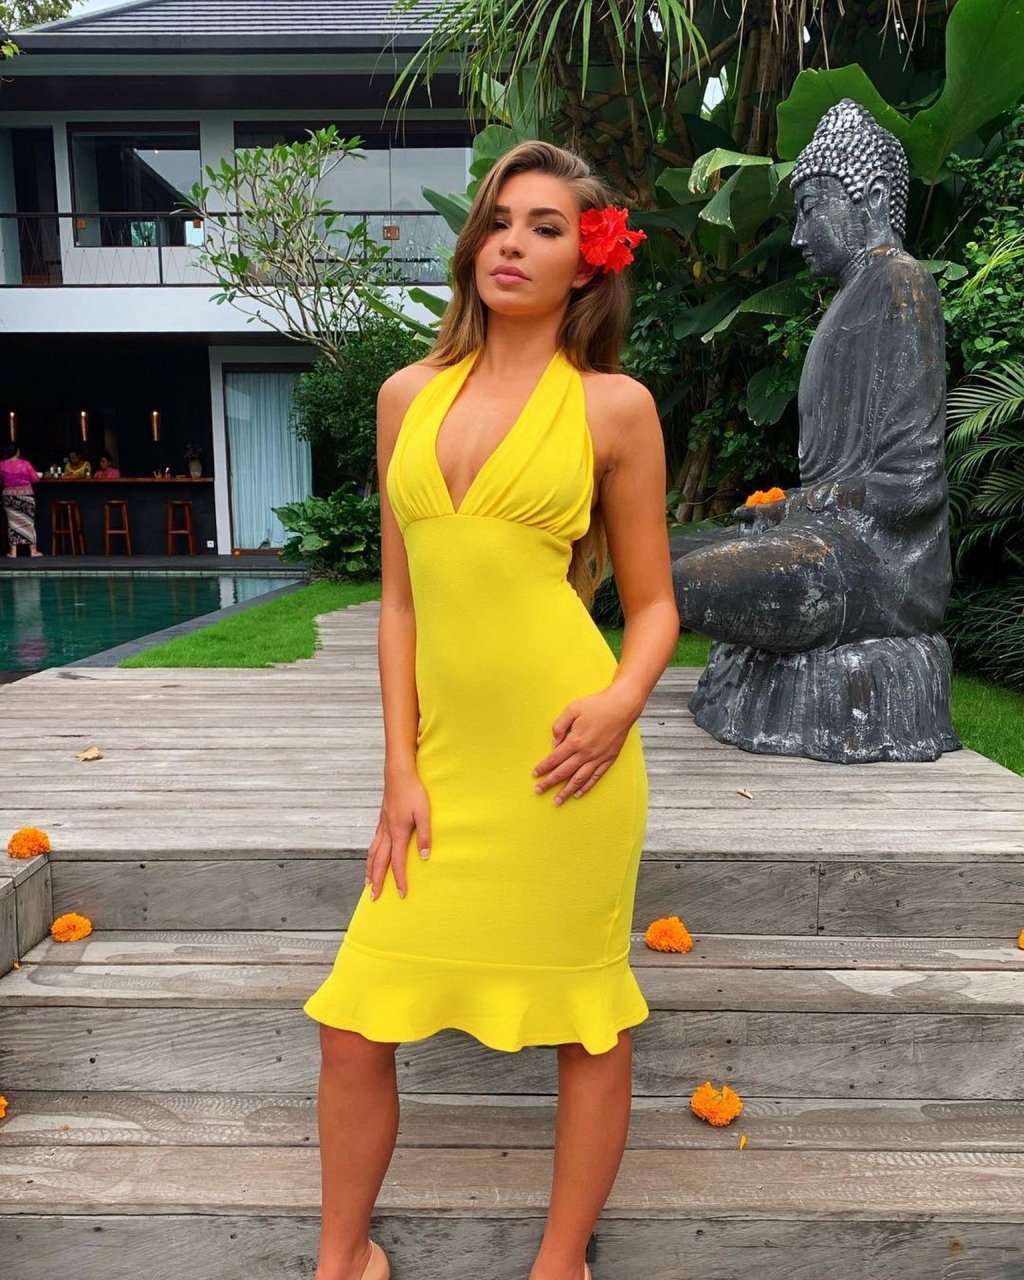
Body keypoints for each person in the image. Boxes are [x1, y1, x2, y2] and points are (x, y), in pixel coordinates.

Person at [301, 141, 680, 1280]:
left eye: (546, 227)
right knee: (353, 1023)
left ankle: (560, 1263)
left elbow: (655, 607)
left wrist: (619, 703)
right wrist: (398, 770)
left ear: (587, 262)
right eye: (499, 221)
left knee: (586, 1023)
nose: (512, 242)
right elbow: (400, 603)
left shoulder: (614, 407)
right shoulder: (405, 396)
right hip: (445, 765)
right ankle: (342, 1257)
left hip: (568, 761)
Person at [1, 443, 43, 557]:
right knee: (29, 522)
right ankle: (33, 551)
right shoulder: (25, 464)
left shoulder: (1, 465)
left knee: (12, 524)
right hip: (26, 496)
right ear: (17, 451)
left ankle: (13, 552)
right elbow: (35, 478)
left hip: (9, 497)